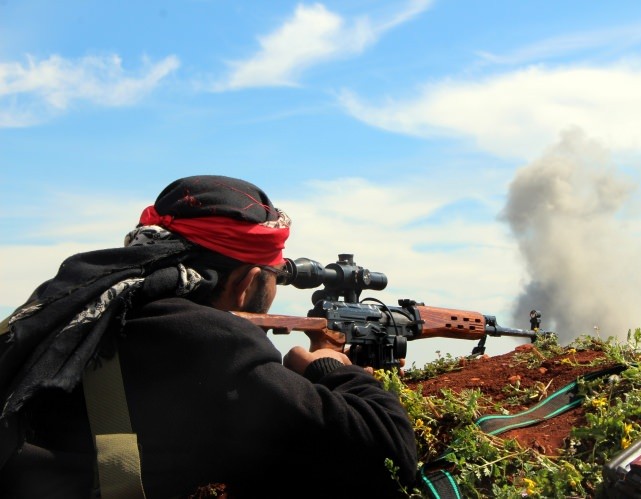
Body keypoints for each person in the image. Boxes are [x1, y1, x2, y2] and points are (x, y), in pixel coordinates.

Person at [0, 175, 418, 498]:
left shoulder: (86, 304)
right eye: (274, 276)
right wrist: (330, 366)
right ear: (246, 281)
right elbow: (389, 452)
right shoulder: (210, 341)